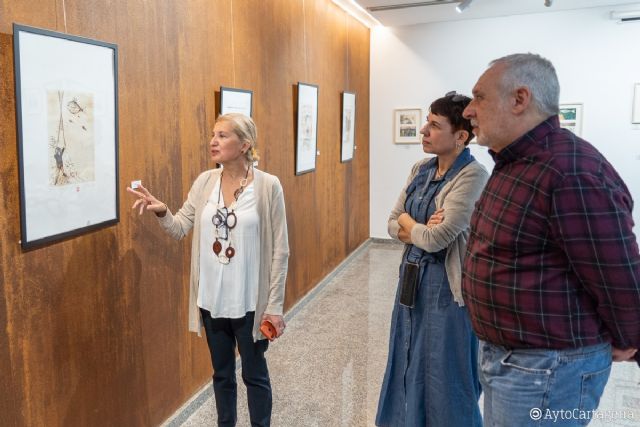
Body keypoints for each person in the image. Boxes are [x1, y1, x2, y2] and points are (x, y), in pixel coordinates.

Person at [462, 53, 640, 426]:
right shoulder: (515, 163)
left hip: (548, 370)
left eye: (479, 97)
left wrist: (630, 337)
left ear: (519, 99)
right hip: (513, 360)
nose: (468, 111)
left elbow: (617, 272)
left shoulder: (570, 170)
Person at [127, 113, 289, 427]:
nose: (213, 141)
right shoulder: (204, 182)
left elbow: (281, 251)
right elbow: (178, 228)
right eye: (213, 134)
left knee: (254, 376)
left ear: (244, 145)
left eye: (223, 136)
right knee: (222, 375)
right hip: (212, 302)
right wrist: (161, 211)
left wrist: (275, 306)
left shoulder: (269, 186)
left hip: (250, 303)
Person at [376, 93, 489, 427]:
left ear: (460, 136)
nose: (424, 130)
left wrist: (412, 225)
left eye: (435, 125)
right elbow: (391, 221)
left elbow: (437, 238)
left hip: (447, 291)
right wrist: (416, 226)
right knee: (407, 361)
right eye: (426, 121)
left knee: (446, 372)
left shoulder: (472, 177)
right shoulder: (420, 169)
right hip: (410, 284)